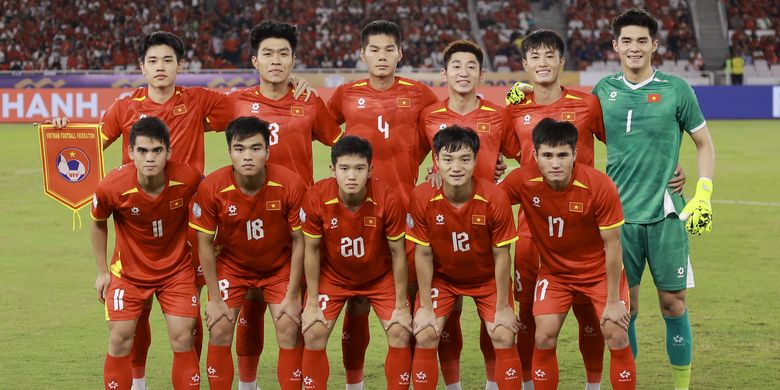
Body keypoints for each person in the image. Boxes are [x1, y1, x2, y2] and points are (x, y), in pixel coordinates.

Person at [204, 21, 343, 388]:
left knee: (291, 317)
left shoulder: (308, 100)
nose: (276, 60)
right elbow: (184, 124)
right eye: (268, 54)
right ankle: (248, 384)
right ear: (254, 60)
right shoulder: (236, 101)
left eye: (284, 54)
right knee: (245, 309)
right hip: (244, 223)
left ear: (294, 60)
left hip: (298, 225)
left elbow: (341, 146)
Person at [591, 9, 716, 390]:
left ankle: (682, 387)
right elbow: (567, 127)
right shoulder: (602, 92)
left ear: (654, 45)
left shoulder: (677, 89)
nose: (634, 47)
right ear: (615, 46)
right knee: (623, 313)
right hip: (617, 222)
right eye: (626, 41)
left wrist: (703, 192)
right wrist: (528, 93)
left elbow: (704, 143)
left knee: (673, 305)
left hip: (666, 218)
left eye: (641, 40)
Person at [326, 20, 440, 389]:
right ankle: (354, 383)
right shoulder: (345, 94)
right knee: (356, 305)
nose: (381, 56)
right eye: (373, 49)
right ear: (362, 54)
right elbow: (324, 130)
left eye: (388, 49)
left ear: (400, 53)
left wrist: (438, 165)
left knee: (404, 307)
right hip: (356, 217)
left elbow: (445, 130)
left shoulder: (420, 93)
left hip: (406, 215)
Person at [500, 118, 636, 390]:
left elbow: (613, 246)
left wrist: (613, 300)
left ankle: (593, 386)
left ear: (575, 154)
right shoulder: (522, 180)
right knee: (544, 335)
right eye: (547, 155)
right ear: (535, 155)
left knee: (617, 333)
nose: (555, 163)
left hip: (599, 273)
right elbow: (488, 200)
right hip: (555, 274)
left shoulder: (598, 186)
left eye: (563, 154)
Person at [417, 39, 522, 390]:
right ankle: (453, 384)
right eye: (456, 67)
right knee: (444, 319)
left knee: (493, 321)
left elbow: (525, 156)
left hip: (487, 222)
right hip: (442, 224)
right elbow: (409, 157)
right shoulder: (429, 115)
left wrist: (500, 170)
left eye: (471, 67)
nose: (464, 73)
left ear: (482, 74)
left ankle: (493, 383)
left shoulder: (498, 115)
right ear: (444, 73)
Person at [189, 116, 306, 390]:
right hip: (232, 267)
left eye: (256, 148)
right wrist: (214, 298)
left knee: (289, 326)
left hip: (279, 268)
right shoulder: (212, 187)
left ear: (268, 150)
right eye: (239, 149)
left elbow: (300, 241)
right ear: (229, 151)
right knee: (219, 325)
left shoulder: (290, 184)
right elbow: (204, 242)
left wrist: (292, 295)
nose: (248, 156)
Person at [407, 126, 522, 390]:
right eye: (447, 159)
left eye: (464, 159)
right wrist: (425, 306)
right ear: (436, 162)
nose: (456, 167)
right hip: (444, 279)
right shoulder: (422, 197)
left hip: (486, 279)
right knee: (425, 332)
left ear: (475, 160)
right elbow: (422, 253)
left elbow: (502, 255)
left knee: (504, 333)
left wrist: (504, 307)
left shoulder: (495, 197)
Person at [91, 116, 202, 390]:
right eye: (142, 151)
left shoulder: (188, 179)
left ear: (169, 152)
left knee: (182, 337)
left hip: (176, 272)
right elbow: (97, 222)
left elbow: (215, 202)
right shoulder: (112, 186)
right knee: (120, 338)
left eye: (156, 151)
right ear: (130, 153)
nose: (149, 158)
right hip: (128, 273)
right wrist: (103, 272)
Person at [300, 135, 412, 389]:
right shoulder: (317, 196)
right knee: (313, 331)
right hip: (334, 276)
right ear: (332, 170)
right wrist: (313, 302)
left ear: (370, 170)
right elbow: (312, 250)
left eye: (359, 168)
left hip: (379, 278)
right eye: (344, 168)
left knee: (400, 330)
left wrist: (402, 304)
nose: (352, 176)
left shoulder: (387, 199)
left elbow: (398, 253)